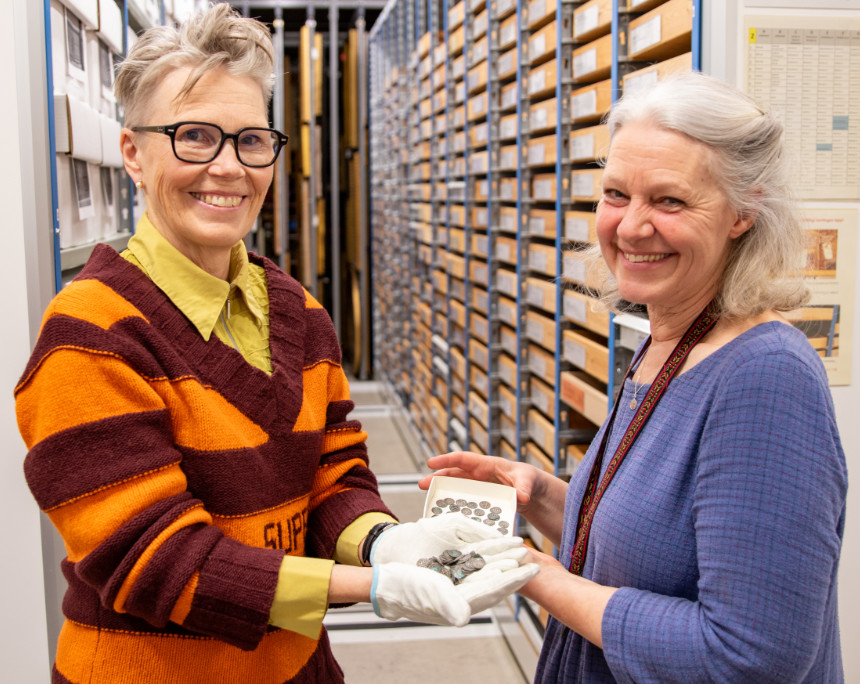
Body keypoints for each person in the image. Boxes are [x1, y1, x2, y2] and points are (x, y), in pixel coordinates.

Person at [15, 5, 535, 683]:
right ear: (133, 154)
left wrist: (384, 540)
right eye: (194, 136)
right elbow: (155, 561)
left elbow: (333, 476)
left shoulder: (297, 312)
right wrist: (365, 586)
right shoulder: (89, 338)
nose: (229, 168)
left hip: (297, 668)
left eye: (252, 141)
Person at [420, 71, 847, 682]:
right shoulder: (670, 340)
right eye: (616, 194)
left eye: (669, 200)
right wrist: (544, 498)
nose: (630, 227)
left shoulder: (765, 379)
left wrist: (529, 572)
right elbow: (658, 549)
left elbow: (750, 657)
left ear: (742, 212)